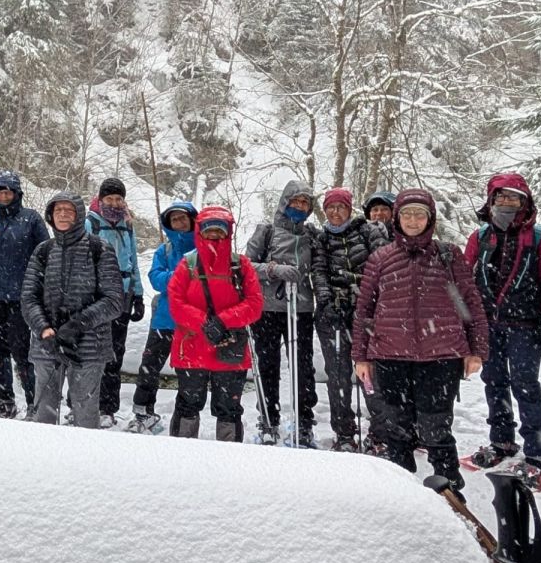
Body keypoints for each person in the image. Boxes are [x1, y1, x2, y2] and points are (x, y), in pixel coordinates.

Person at [352, 189, 488, 494]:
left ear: (430, 218)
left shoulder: (448, 255)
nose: (413, 220)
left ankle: (450, 489)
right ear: (397, 218)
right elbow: (364, 310)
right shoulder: (381, 258)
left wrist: (476, 350)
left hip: (441, 357)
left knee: (436, 428)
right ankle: (403, 491)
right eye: (407, 214)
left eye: (420, 214)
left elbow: (469, 303)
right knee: (396, 428)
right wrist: (361, 356)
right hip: (390, 356)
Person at [463, 173, 541, 479]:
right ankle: (502, 441)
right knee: (494, 382)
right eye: (501, 196)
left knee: (525, 385)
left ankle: (539, 450)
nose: (506, 202)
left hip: (525, 324)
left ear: (524, 201)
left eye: (513, 197)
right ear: (491, 200)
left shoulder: (539, 238)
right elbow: (465, 279)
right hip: (488, 324)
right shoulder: (480, 237)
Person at [21, 192, 124, 429]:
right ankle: (43, 452)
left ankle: (84, 453)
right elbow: (28, 297)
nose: (63, 215)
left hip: (89, 345)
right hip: (47, 344)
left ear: (79, 215)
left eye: (69, 210)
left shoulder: (99, 248)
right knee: (44, 414)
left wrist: (77, 325)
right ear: (51, 215)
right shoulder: (43, 250)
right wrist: (44, 329)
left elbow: (113, 300)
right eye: (58, 210)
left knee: (85, 414)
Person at [167, 206, 265, 440]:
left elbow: (254, 304)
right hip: (192, 346)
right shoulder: (188, 264)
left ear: (228, 232)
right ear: (199, 231)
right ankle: (180, 451)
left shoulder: (240, 265)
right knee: (188, 405)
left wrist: (222, 321)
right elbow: (175, 301)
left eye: (219, 230)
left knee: (229, 408)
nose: (214, 234)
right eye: (208, 229)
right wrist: (204, 323)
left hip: (228, 348)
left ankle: (228, 455)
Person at [311, 188, 389, 451]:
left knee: (371, 374)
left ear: (349, 208)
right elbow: (319, 271)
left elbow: (381, 265)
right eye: (330, 208)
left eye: (340, 207)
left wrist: (365, 295)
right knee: (338, 375)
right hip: (333, 314)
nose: (335, 212)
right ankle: (344, 433)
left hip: (367, 313)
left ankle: (380, 433)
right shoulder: (321, 238)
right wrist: (326, 301)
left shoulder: (367, 231)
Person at [0, 170, 50, 419]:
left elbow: (46, 253)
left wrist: (39, 286)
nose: (3, 197)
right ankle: (5, 400)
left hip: (21, 296)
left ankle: (33, 401)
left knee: (22, 351)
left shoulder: (31, 219)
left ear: (16, 194)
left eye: (7, 192)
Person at [246, 180, 319, 446]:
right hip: (267, 309)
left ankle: (304, 421)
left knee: (303, 369)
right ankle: (268, 418)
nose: (299, 206)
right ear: (285, 202)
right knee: (268, 365)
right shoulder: (267, 231)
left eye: (305, 202)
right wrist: (273, 270)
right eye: (295, 201)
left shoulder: (312, 235)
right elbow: (246, 266)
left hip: (300, 309)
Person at [127, 201, 196, 433]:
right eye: (174, 219)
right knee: (149, 368)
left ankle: (183, 418)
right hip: (164, 319)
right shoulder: (164, 250)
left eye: (182, 218)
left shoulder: (203, 247)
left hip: (192, 321)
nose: (179, 222)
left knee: (187, 373)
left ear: (192, 220)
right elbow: (155, 280)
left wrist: (174, 279)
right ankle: (143, 413)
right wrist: (182, 276)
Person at [84, 177, 145, 428]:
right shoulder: (90, 223)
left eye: (118, 198)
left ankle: (108, 407)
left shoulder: (127, 224)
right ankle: (84, 404)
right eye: (109, 198)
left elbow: (133, 261)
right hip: (97, 294)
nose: (114, 203)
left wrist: (138, 294)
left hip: (123, 294)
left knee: (115, 352)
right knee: (90, 351)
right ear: (101, 199)